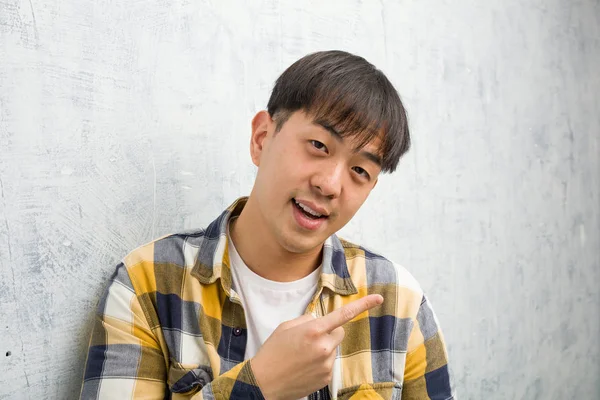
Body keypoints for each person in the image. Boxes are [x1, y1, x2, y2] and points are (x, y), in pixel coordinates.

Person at [80, 50, 454, 400]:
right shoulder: (149, 283)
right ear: (262, 139)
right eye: (319, 146)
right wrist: (258, 386)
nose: (329, 184)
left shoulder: (399, 302)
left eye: (360, 170)